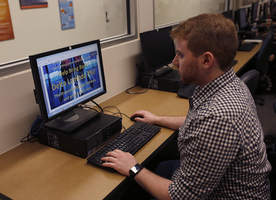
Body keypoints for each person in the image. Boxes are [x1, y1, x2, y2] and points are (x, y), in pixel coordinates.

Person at [101, 13, 271, 199]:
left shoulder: (217, 118)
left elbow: (180, 196)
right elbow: (197, 122)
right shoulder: (228, 84)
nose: (174, 62)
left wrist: (132, 167)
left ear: (206, 60)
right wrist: (157, 119)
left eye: (180, 55)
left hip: (220, 194)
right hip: (217, 180)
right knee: (157, 167)